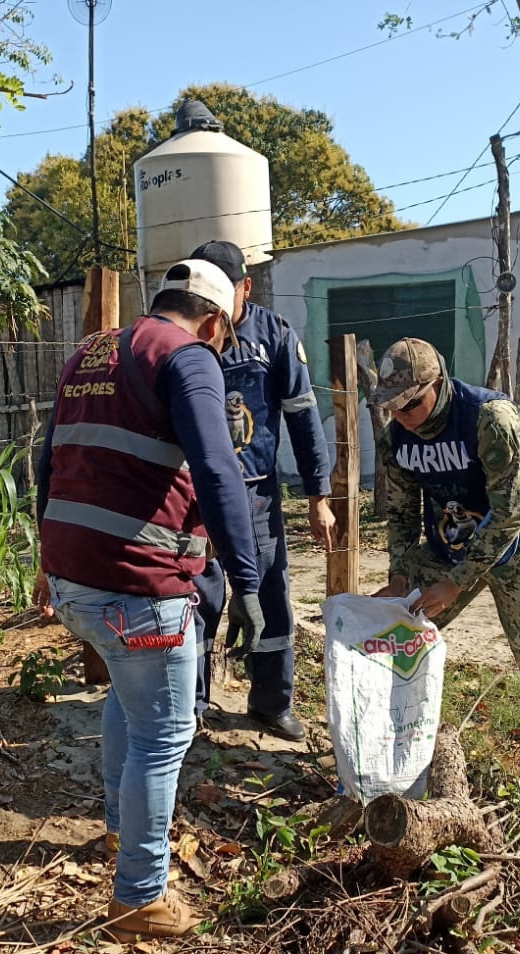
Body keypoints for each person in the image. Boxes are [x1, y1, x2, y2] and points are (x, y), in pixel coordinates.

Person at [34, 259, 265, 940]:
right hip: (136, 584)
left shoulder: (92, 351)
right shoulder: (189, 358)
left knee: (129, 702)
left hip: (76, 578)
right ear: (216, 319)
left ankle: (117, 829)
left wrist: (46, 558)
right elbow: (220, 471)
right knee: (165, 731)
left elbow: (46, 459)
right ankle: (139, 895)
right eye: (223, 336)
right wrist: (248, 584)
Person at [368, 338, 520, 814]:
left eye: (412, 404)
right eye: (393, 406)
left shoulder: (490, 420)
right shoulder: (396, 437)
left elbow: (511, 515)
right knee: (396, 641)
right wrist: (401, 574)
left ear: (438, 383)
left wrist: (457, 581)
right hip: (451, 544)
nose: (403, 415)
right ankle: (391, 755)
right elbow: (400, 513)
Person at [185, 240, 334, 742]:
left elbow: (303, 418)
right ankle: (195, 704)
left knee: (268, 596)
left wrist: (318, 495)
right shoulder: (186, 333)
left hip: (256, 495)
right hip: (194, 495)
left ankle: (271, 702)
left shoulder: (275, 336)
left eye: (226, 291)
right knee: (199, 598)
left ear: (246, 286)